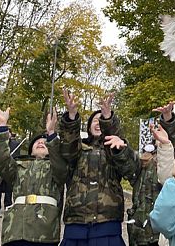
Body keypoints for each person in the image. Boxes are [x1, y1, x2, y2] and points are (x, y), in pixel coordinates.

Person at [59, 90, 138, 246]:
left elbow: (130, 169)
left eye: (101, 120)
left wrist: (108, 119)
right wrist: (72, 116)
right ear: (88, 127)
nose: (97, 122)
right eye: (94, 120)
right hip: (76, 222)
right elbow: (68, 146)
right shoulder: (78, 149)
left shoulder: (116, 150)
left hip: (107, 223)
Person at [0, 101, 67, 245]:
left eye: (45, 142)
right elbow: (0, 161)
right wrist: (1, 126)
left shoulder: (57, 166)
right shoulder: (18, 166)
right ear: (31, 149)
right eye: (37, 142)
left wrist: (51, 135)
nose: (41, 143)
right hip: (15, 230)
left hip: (45, 232)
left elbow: (62, 170)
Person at [127, 101, 175, 246]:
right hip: (140, 231)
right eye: (157, 139)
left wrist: (168, 118)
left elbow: (173, 147)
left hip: (161, 233)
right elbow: (125, 161)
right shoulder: (141, 163)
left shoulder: (174, 164)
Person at [0, 131, 22, 215]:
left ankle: (7, 206)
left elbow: (17, 155)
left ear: (11, 134)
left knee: (9, 189)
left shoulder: (15, 144)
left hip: (9, 168)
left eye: (8, 133)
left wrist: (11, 159)